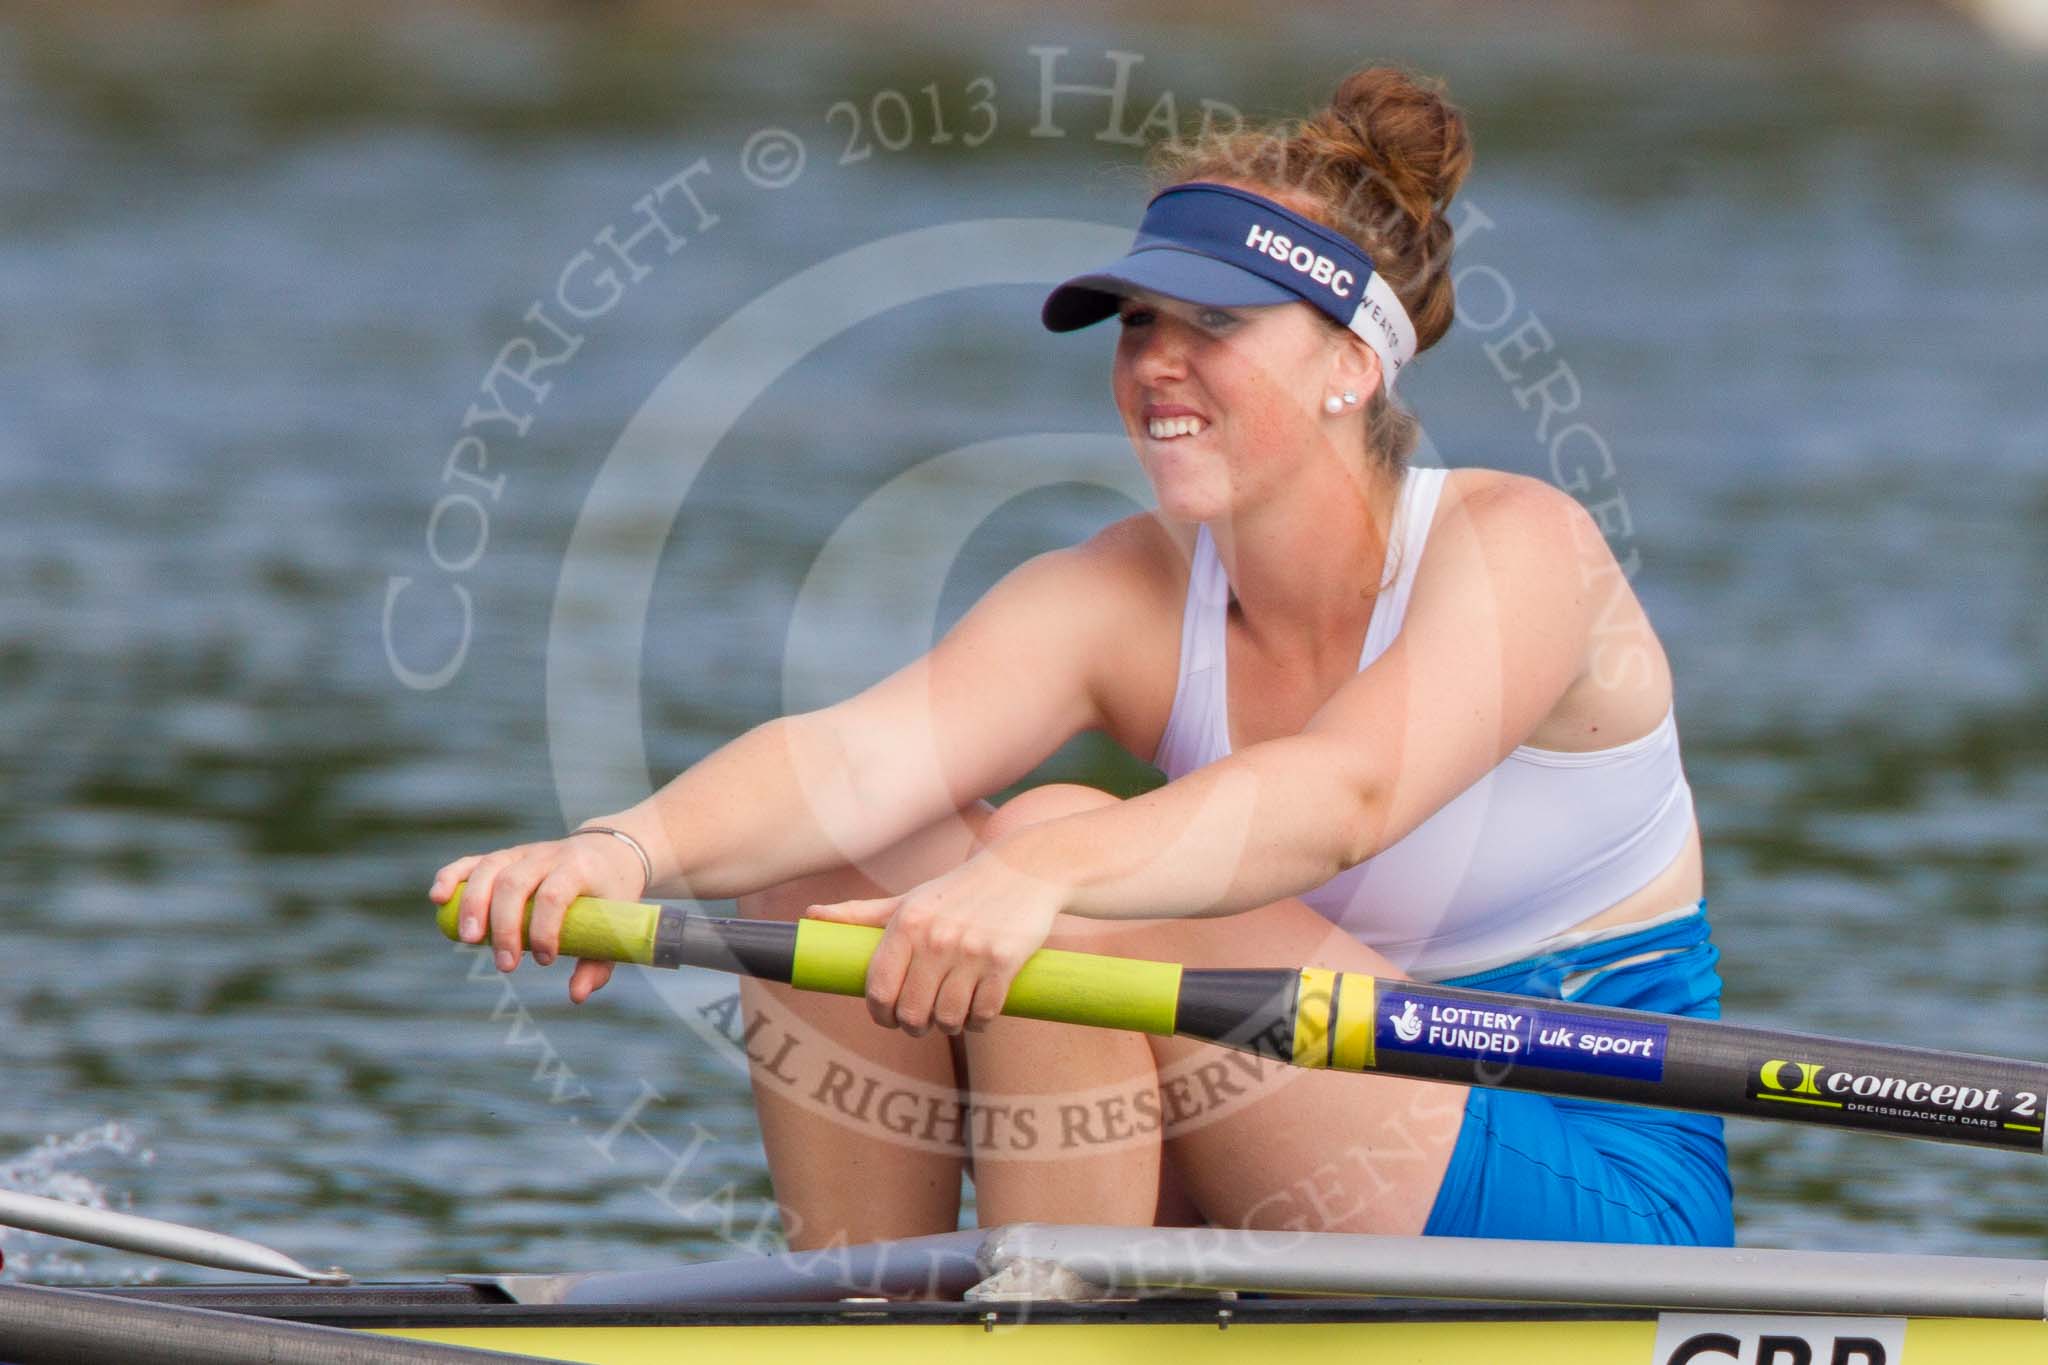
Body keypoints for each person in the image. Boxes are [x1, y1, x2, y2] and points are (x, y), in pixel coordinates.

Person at [431, 66, 1732, 1251]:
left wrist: (1049, 860)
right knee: (827, 855)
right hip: (1275, 1131)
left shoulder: (1523, 550)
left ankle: (1056, 1323)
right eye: (1133, 324)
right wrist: (624, 850)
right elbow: (853, 757)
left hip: (1588, 1173)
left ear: (1348, 361)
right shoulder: (1121, 590)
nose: (1156, 362)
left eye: (1212, 323)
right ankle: (874, 1314)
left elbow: (1346, 797)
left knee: (1065, 843)